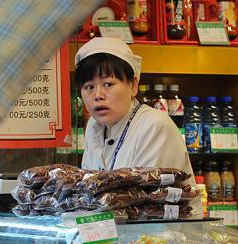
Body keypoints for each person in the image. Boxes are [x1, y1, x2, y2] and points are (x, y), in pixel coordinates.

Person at [74, 37, 193, 177]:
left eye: (108, 84)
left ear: (133, 85)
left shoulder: (155, 126)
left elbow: (149, 195)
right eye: (89, 87)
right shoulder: (93, 125)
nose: (98, 95)